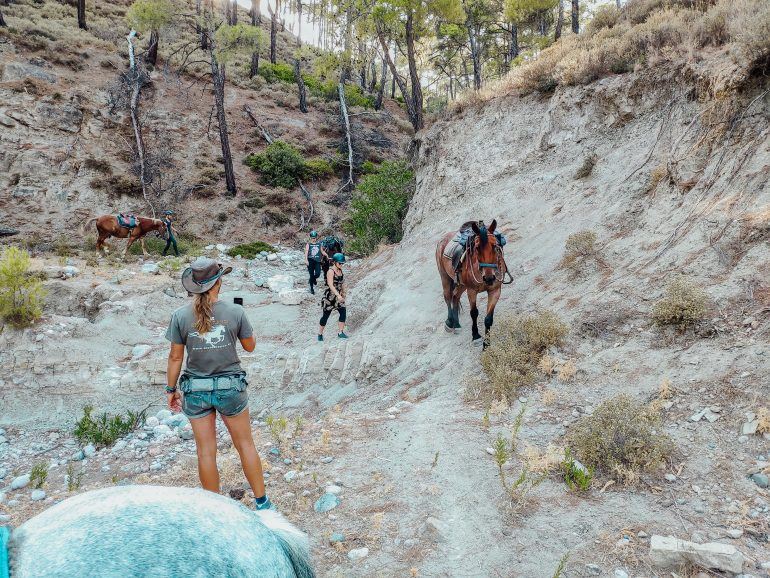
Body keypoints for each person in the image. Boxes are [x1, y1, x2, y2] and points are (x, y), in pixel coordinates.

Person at [165, 257, 273, 511]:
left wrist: (171, 390)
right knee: (245, 444)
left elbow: (175, 357)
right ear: (219, 283)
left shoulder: (180, 315)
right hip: (230, 388)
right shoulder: (235, 312)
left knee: (205, 452)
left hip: (196, 390)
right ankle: (263, 503)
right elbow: (250, 346)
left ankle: (215, 510)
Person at [318, 252, 348, 341]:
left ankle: (340, 332)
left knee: (343, 312)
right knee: (325, 316)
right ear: (334, 262)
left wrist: (343, 292)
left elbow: (342, 283)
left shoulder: (340, 270)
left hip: (339, 296)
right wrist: (338, 295)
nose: (341, 264)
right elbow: (330, 285)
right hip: (330, 297)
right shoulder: (330, 271)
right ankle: (320, 333)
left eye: (342, 263)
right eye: (340, 263)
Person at [304, 230, 322, 295]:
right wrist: (306, 260)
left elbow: (322, 251)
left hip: (317, 261)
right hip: (310, 260)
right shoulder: (308, 244)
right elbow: (306, 252)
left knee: (318, 274)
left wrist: (326, 255)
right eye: (312, 238)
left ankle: (313, 279)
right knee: (311, 274)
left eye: (314, 238)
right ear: (311, 238)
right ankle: (311, 288)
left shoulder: (319, 244)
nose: (314, 239)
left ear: (316, 237)